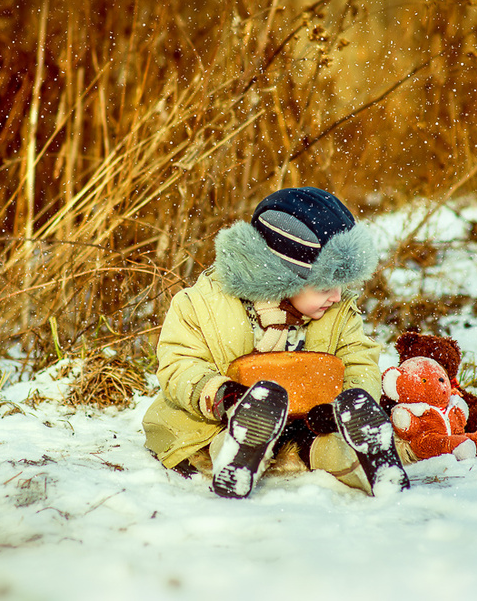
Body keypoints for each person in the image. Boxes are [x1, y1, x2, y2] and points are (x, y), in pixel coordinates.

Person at [142, 187, 414, 498]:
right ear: (284, 274)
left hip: (308, 422)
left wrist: (345, 403)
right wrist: (222, 395)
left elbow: (359, 360)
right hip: (224, 417)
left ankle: (371, 464)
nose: (337, 296)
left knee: (329, 447)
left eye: (342, 284)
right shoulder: (202, 304)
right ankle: (239, 455)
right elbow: (179, 364)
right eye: (326, 284)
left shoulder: (338, 312)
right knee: (222, 436)